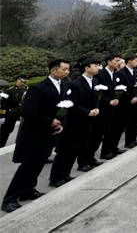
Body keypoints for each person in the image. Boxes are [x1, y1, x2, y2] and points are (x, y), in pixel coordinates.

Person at [2, 59, 70, 213]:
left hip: (50, 132)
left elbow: (63, 107)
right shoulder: (38, 88)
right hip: (35, 134)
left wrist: (60, 123)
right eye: (64, 69)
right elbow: (27, 112)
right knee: (28, 166)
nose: (67, 72)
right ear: (53, 70)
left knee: (39, 163)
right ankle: (9, 199)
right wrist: (50, 121)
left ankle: (28, 190)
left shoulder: (64, 86)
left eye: (68, 69)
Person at [50, 56, 100, 184]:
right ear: (87, 68)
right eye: (95, 65)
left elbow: (96, 98)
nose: (98, 68)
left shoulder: (95, 81)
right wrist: (87, 112)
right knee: (66, 150)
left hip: (88, 120)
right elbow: (72, 104)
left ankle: (65, 174)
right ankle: (55, 178)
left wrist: (96, 108)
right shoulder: (76, 84)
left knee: (76, 149)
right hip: (75, 121)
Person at [96, 55, 125, 160]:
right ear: (109, 61)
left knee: (113, 129)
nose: (118, 63)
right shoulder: (101, 74)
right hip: (104, 107)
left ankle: (110, 149)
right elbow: (98, 92)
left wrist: (117, 98)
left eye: (119, 61)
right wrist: (108, 101)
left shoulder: (115, 73)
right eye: (116, 61)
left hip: (114, 106)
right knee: (101, 132)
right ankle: (103, 153)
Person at [0, 75, 28, 147]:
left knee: (9, 130)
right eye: (22, 81)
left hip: (16, 114)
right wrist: (2, 116)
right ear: (18, 80)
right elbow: (3, 104)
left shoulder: (25, 91)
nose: (23, 83)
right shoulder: (9, 91)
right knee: (4, 132)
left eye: (24, 82)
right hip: (8, 114)